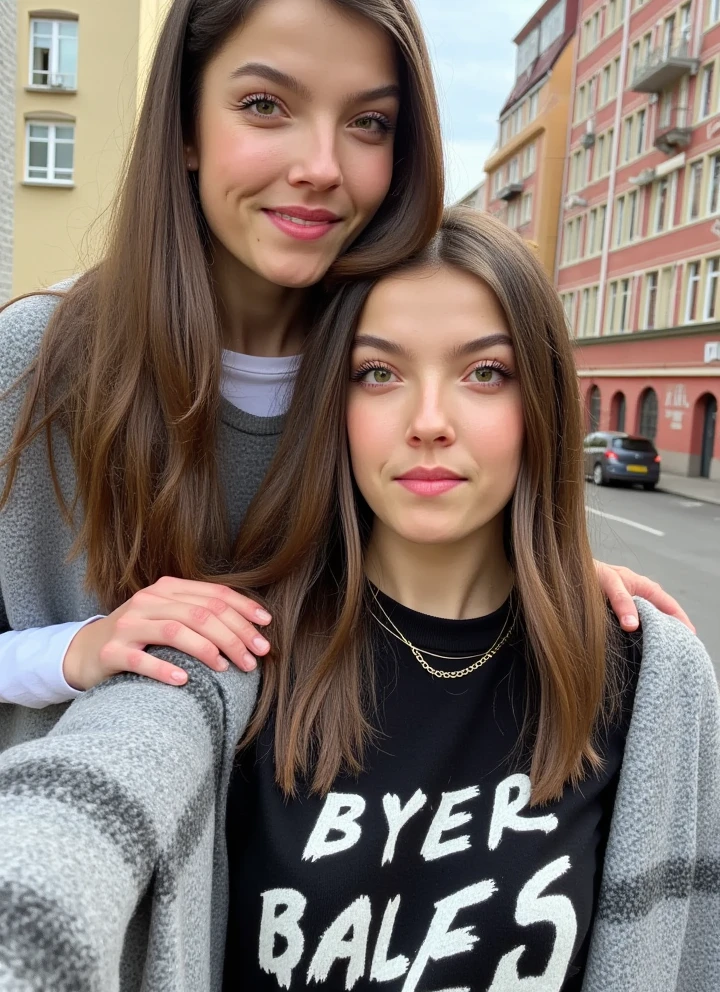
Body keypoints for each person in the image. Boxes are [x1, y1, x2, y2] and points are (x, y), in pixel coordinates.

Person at [0, 210, 716, 992]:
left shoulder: (646, 677)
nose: (429, 420)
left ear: (541, 403)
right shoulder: (233, 656)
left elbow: (685, 971)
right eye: (379, 373)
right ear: (329, 405)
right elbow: (66, 833)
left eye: (485, 373)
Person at [0, 0, 690, 746]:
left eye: (369, 123)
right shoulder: (39, 356)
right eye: (265, 106)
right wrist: (78, 650)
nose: (321, 169)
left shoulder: (383, 359)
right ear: (186, 127)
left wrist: (533, 576)